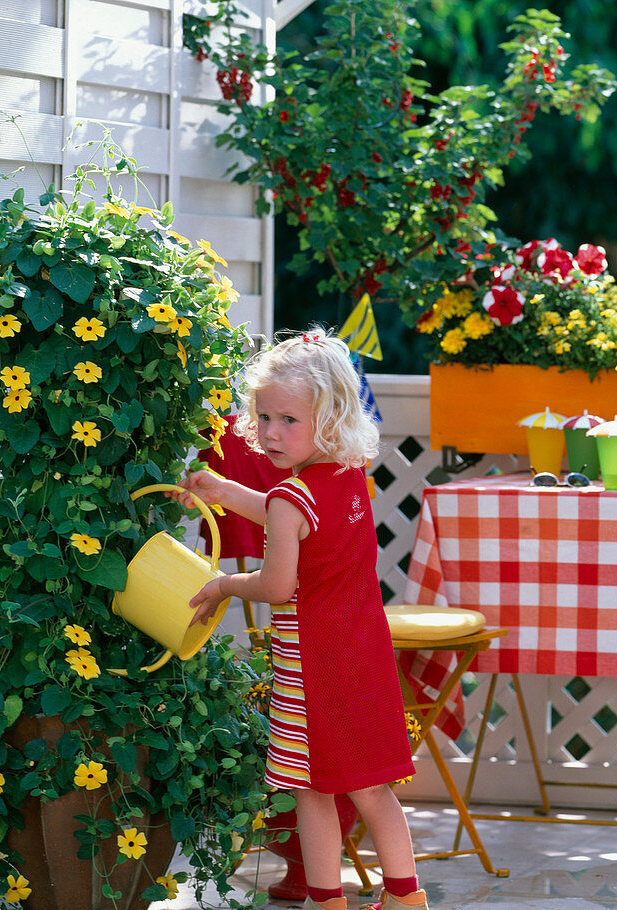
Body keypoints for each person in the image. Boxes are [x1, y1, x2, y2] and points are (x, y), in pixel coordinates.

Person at [178, 328, 427, 910]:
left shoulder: (293, 498)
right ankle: (403, 898)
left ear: (332, 415)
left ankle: (328, 900)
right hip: (361, 653)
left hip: (312, 669)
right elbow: (281, 513)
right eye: (263, 417)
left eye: (288, 420)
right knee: (365, 787)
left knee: (314, 790)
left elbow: (276, 584)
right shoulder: (347, 479)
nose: (268, 432)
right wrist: (221, 490)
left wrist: (222, 586)